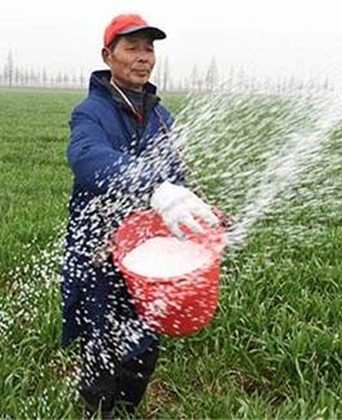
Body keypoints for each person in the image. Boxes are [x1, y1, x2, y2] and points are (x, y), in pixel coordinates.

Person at [62, 14, 221, 418]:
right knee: (103, 340)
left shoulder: (161, 118)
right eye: (132, 47)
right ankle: (96, 411)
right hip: (100, 248)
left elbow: (178, 178)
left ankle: (128, 409)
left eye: (149, 48)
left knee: (145, 341)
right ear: (108, 55)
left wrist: (201, 211)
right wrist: (154, 188)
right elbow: (86, 158)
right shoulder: (91, 112)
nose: (143, 57)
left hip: (149, 255)